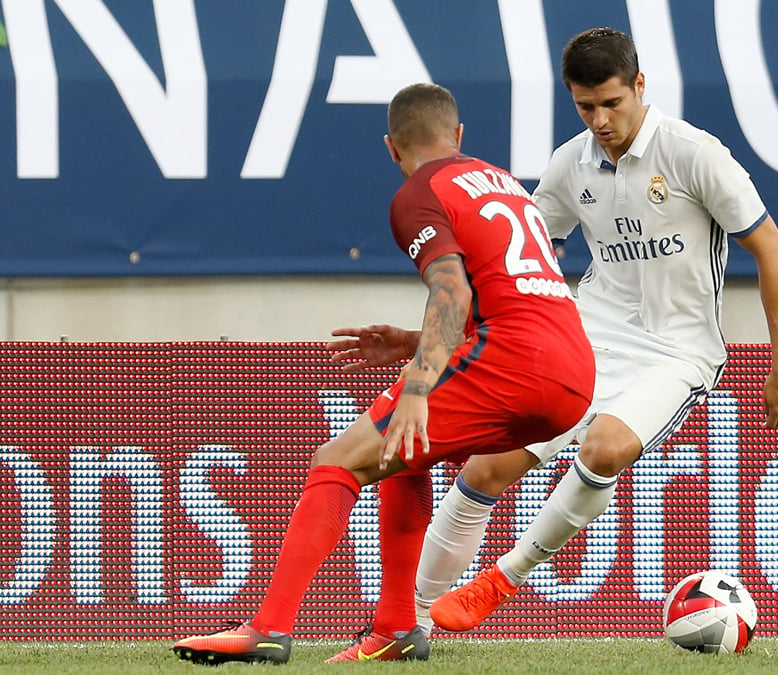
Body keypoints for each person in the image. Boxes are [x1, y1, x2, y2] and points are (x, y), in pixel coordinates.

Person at [171, 82, 594, 665]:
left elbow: (453, 288)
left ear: (392, 148)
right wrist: (413, 343)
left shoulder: (420, 192)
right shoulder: (506, 184)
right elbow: (508, 299)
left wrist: (418, 387)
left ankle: (268, 627)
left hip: (514, 361)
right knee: (405, 454)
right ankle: (397, 626)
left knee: (337, 459)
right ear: (460, 135)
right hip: (574, 371)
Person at [413, 27, 778, 635]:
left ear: (640, 86)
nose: (599, 119)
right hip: (586, 337)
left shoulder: (694, 153)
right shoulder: (570, 164)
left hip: (677, 351)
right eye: (584, 106)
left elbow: (771, 248)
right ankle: (408, 622)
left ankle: (502, 579)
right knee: (486, 468)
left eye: (611, 103)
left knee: (606, 448)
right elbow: (526, 257)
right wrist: (476, 331)